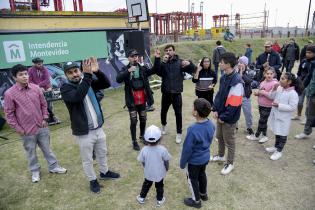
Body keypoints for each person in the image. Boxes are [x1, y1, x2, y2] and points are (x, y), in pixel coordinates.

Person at [60, 57, 120, 193]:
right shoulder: (66, 88)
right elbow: (78, 96)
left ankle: (104, 172)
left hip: (98, 128)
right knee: (87, 159)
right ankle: (92, 180)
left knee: (102, 153)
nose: (75, 74)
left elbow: (106, 84)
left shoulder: (87, 81)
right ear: (66, 75)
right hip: (84, 132)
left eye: (76, 71)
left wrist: (97, 71)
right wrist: (87, 75)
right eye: (70, 72)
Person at [4, 64, 67, 183]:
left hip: (42, 126)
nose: (24, 76)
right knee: (31, 152)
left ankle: (54, 167)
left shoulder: (36, 88)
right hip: (26, 130)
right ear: (14, 77)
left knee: (47, 149)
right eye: (21, 75)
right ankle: (35, 171)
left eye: (26, 74)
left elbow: (44, 104)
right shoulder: (9, 94)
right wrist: (18, 128)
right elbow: (9, 114)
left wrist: (45, 118)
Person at [116, 49, 160, 151]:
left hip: (142, 99)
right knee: (133, 121)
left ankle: (142, 136)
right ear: (128, 58)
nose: (134, 58)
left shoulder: (143, 68)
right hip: (132, 100)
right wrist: (128, 71)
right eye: (132, 56)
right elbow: (118, 79)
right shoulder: (125, 68)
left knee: (143, 118)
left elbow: (155, 70)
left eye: (136, 56)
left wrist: (157, 58)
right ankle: (134, 141)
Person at [211, 52, 244, 175]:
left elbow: (234, 104)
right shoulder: (224, 76)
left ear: (228, 64)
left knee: (229, 141)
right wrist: (215, 109)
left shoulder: (237, 81)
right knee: (219, 136)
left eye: (221, 62)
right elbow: (219, 95)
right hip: (221, 114)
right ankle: (220, 155)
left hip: (229, 117)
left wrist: (224, 117)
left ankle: (230, 163)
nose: (219, 64)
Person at [156, 44, 196, 144]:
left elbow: (193, 69)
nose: (168, 52)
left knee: (178, 114)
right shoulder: (163, 63)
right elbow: (157, 72)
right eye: (166, 51)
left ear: (174, 51)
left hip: (177, 93)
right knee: (163, 111)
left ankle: (179, 133)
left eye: (170, 50)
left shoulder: (180, 62)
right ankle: (164, 126)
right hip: (166, 93)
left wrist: (189, 63)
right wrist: (162, 62)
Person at [180, 98, 215, 208]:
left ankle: (196, 201)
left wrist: (182, 163)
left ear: (196, 112)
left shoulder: (193, 129)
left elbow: (187, 149)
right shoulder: (211, 124)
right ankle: (203, 194)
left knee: (192, 179)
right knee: (202, 174)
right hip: (205, 158)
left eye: (193, 107)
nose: (192, 109)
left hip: (194, 161)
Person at [265, 72, 299, 160]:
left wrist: (279, 105)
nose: (280, 80)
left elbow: (293, 107)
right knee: (277, 131)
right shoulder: (279, 88)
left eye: (283, 79)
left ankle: (279, 151)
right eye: (280, 78)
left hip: (284, 118)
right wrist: (274, 89)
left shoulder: (293, 93)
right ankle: (276, 147)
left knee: (283, 134)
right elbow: (271, 97)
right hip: (276, 115)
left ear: (289, 82)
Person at [136, 125, 171, 207]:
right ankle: (159, 199)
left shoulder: (144, 149)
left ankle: (141, 197)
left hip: (148, 172)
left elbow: (142, 161)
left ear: (145, 139)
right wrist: (167, 168)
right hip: (159, 173)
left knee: (146, 184)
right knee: (159, 185)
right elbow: (166, 160)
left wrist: (146, 167)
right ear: (160, 138)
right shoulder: (162, 149)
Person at [246, 67, 278, 143]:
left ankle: (257, 135)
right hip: (261, 105)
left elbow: (272, 96)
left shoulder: (275, 84)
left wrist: (262, 92)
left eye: (271, 74)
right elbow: (261, 91)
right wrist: (258, 94)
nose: (269, 75)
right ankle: (264, 135)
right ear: (264, 74)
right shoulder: (263, 82)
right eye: (267, 73)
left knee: (262, 121)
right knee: (263, 121)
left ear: (274, 74)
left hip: (268, 106)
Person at [28, 57, 60, 125]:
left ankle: (51, 116)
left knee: (48, 104)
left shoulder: (44, 69)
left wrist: (40, 86)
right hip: (36, 90)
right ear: (34, 64)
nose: (40, 65)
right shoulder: (30, 70)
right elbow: (30, 81)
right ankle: (46, 118)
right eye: (38, 64)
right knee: (40, 105)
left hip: (46, 88)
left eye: (41, 63)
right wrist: (38, 88)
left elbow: (47, 80)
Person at [295, 46, 315, 140]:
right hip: (311, 92)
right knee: (309, 113)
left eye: (310, 52)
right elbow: (309, 76)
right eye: (307, 52)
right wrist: (302, 86)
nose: (307, 54)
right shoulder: (312, 64)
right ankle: (306, 132)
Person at [237, 56, 254, 135]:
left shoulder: (250, 71)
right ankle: (235, 126)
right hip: (236, 97)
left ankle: (249, 127)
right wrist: (238, 72)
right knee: (235, 112)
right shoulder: (234, 72)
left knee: (248, 113)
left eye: (241, 63)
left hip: (245, 97)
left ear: (246, 64)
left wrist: (242, 73)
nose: (240, 64)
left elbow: (249, 81)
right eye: (239, 62)